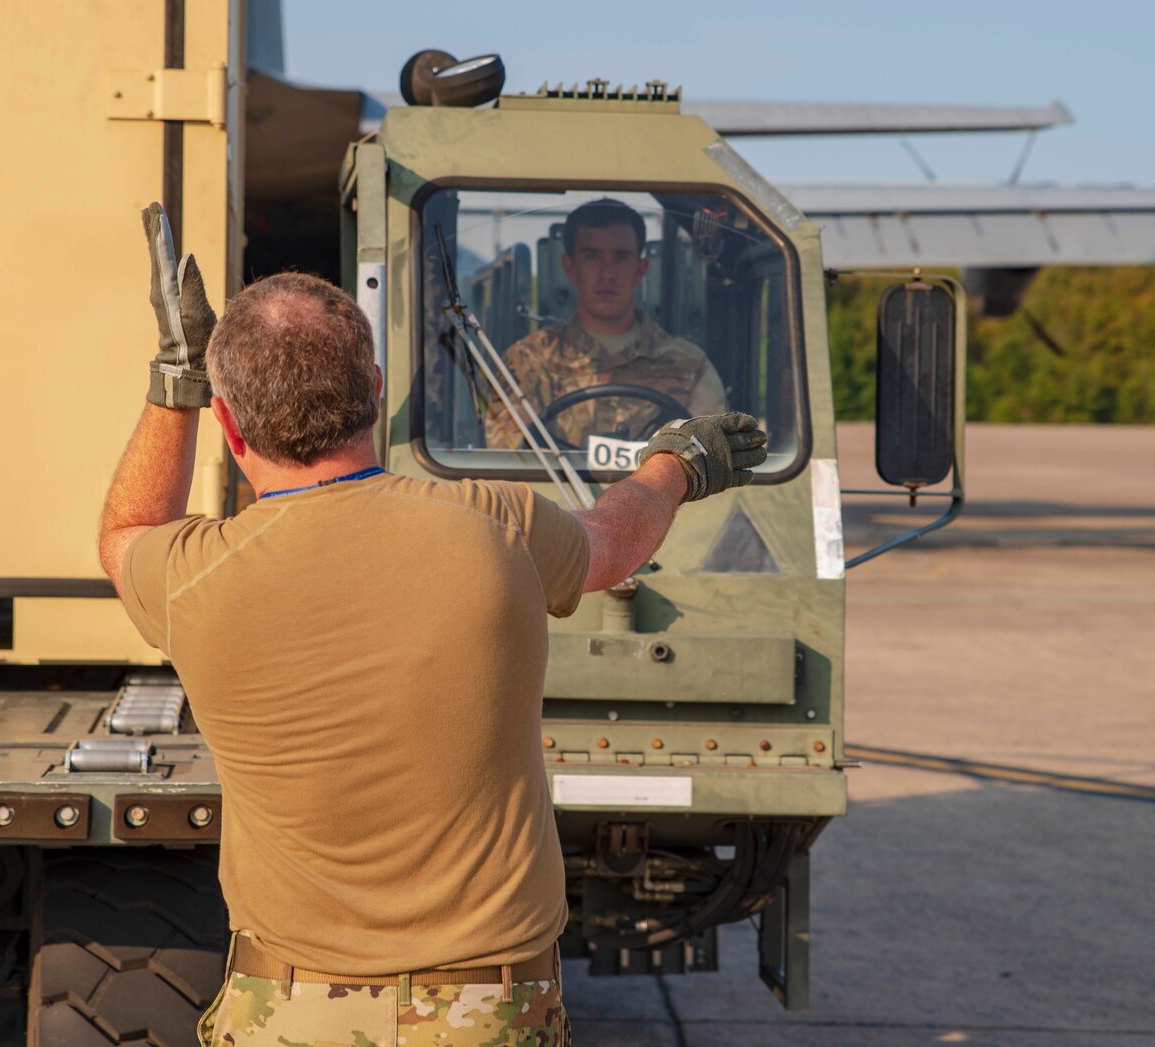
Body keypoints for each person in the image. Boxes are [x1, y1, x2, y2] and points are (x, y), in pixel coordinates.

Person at [99, 204, 767, 1047]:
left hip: (290, 1011)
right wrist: (675, 464)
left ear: (229, 426)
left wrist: (176, 379)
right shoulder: (500, 523)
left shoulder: (192, 574)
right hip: (486, 1008)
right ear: (376, 391)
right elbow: (612, 545)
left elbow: (120, 535)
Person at [484, 198, 727, 451]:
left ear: (640, 269)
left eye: (621, 257)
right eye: (592, 256)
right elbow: (506, 467)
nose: (607, 273)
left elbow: (710, 464)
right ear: (569, 266)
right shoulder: (527, 363)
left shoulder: (690, 367)